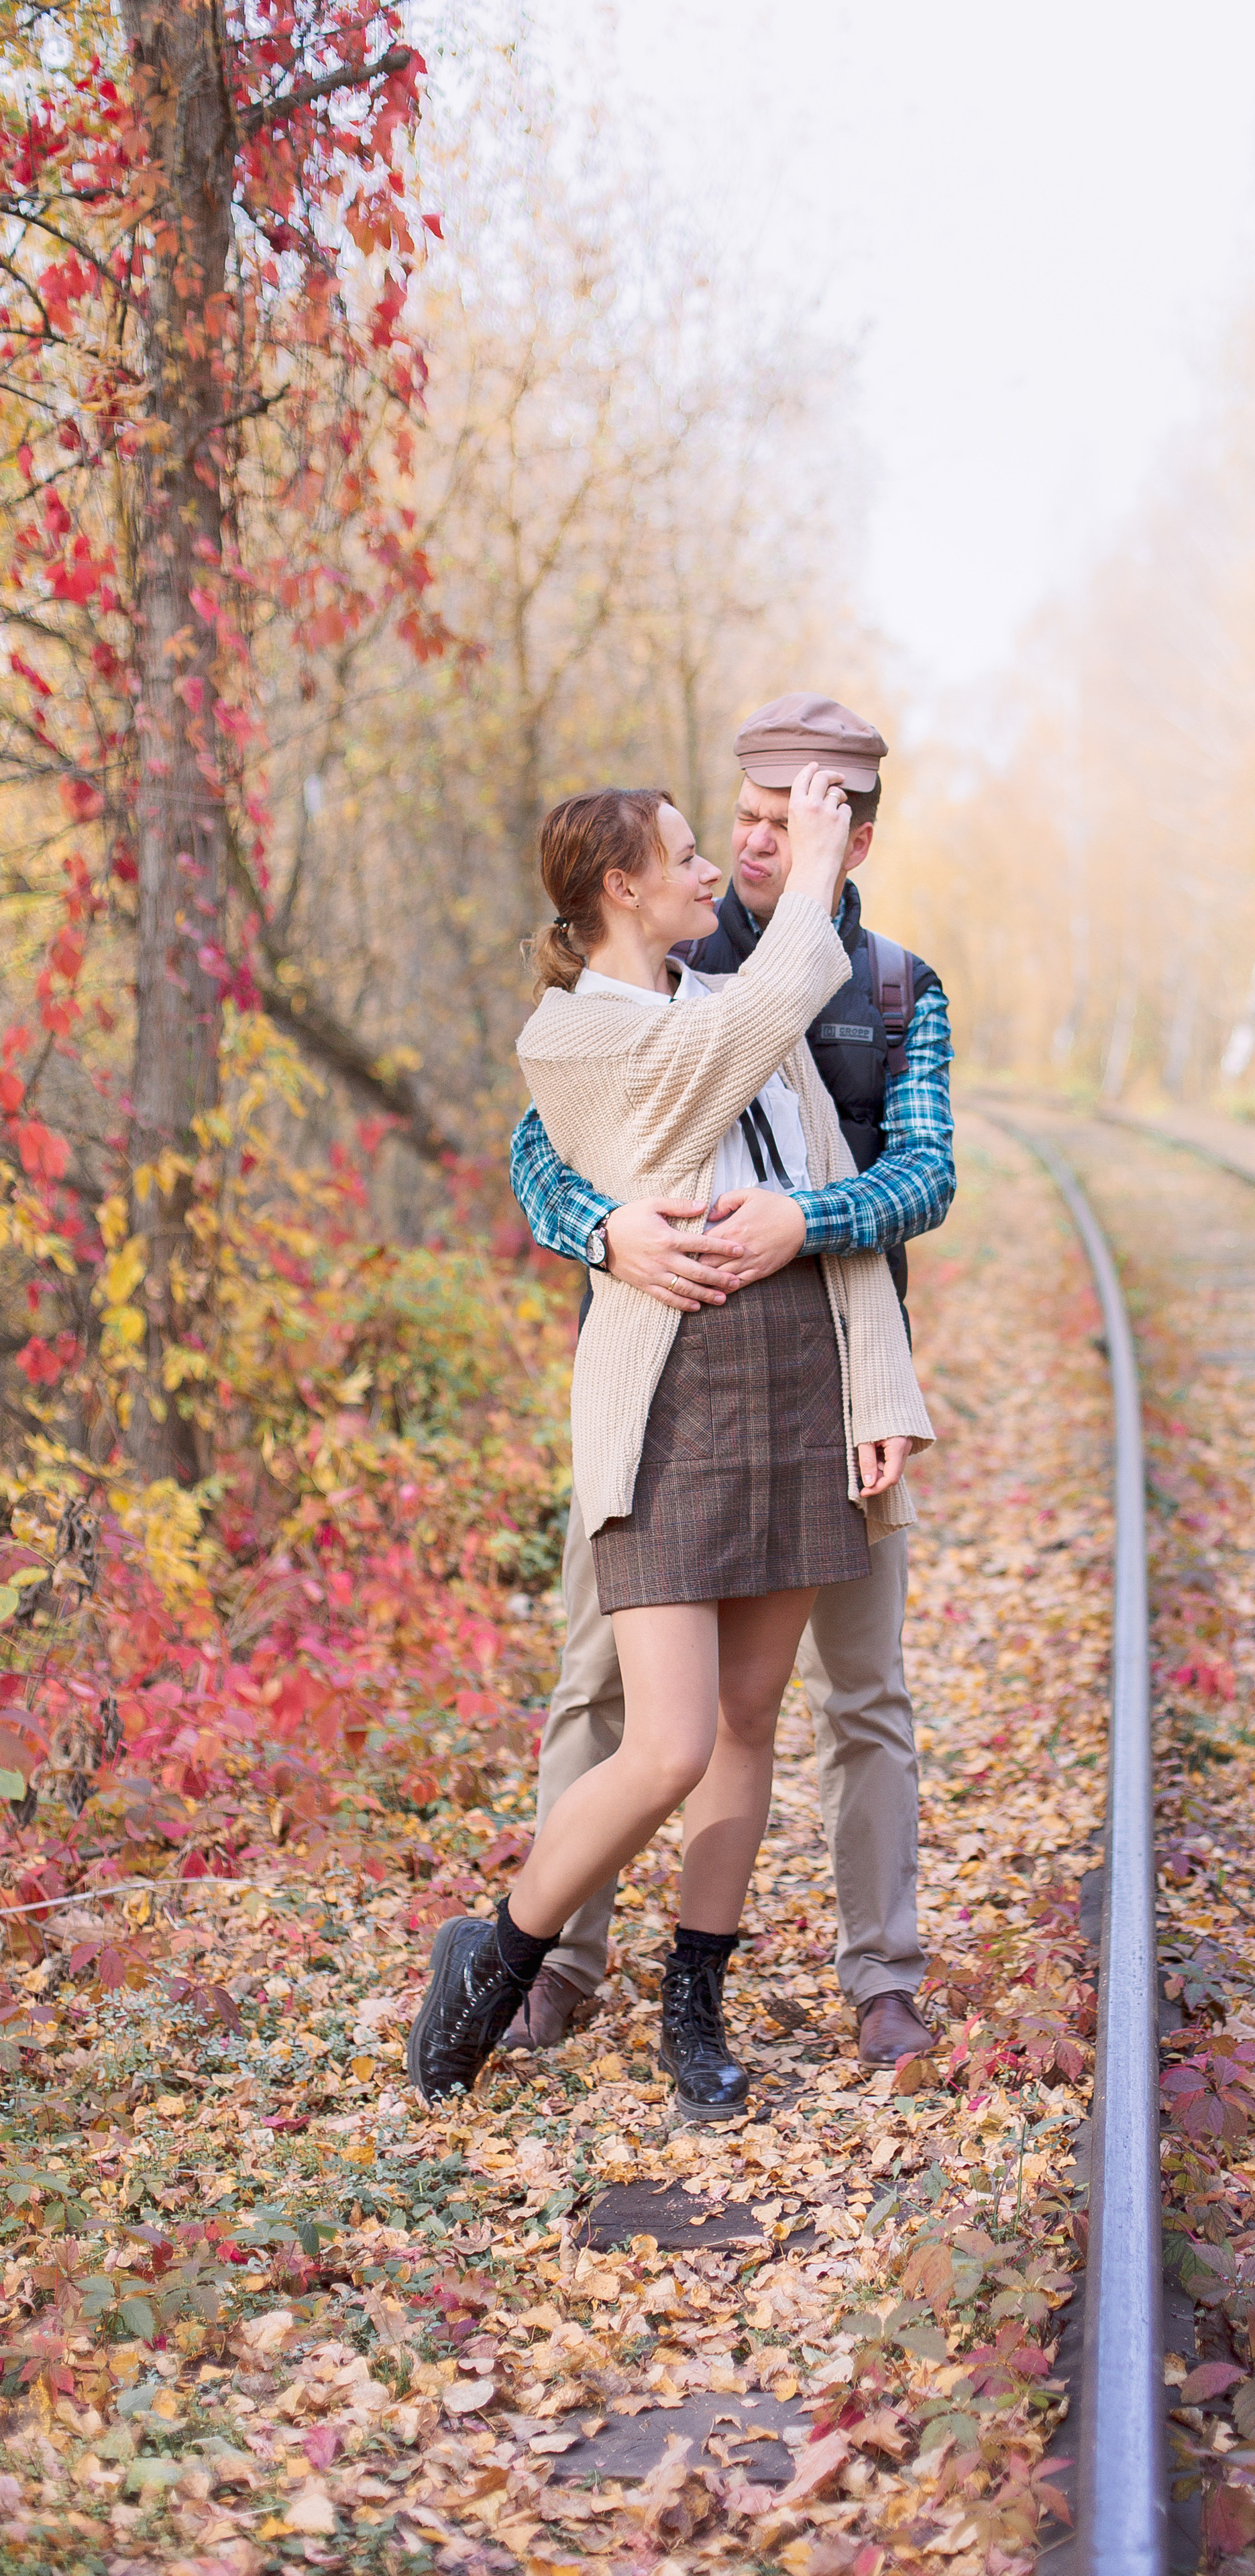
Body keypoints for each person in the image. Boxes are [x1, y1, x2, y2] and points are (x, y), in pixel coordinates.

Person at [407, 768, 933, 2111]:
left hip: (796, 1378)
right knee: (668, 1740)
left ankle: (691, 2001)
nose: (714, 874)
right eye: (689, 858)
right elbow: (712, 1068)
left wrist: (880, 1397)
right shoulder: (570, 1039)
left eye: (722, 853)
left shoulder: (732, 1004)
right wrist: (809, 875)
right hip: (670, 1396)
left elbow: (836, 1207)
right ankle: (500, 1952)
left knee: (752, 1722)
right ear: (617, 887)